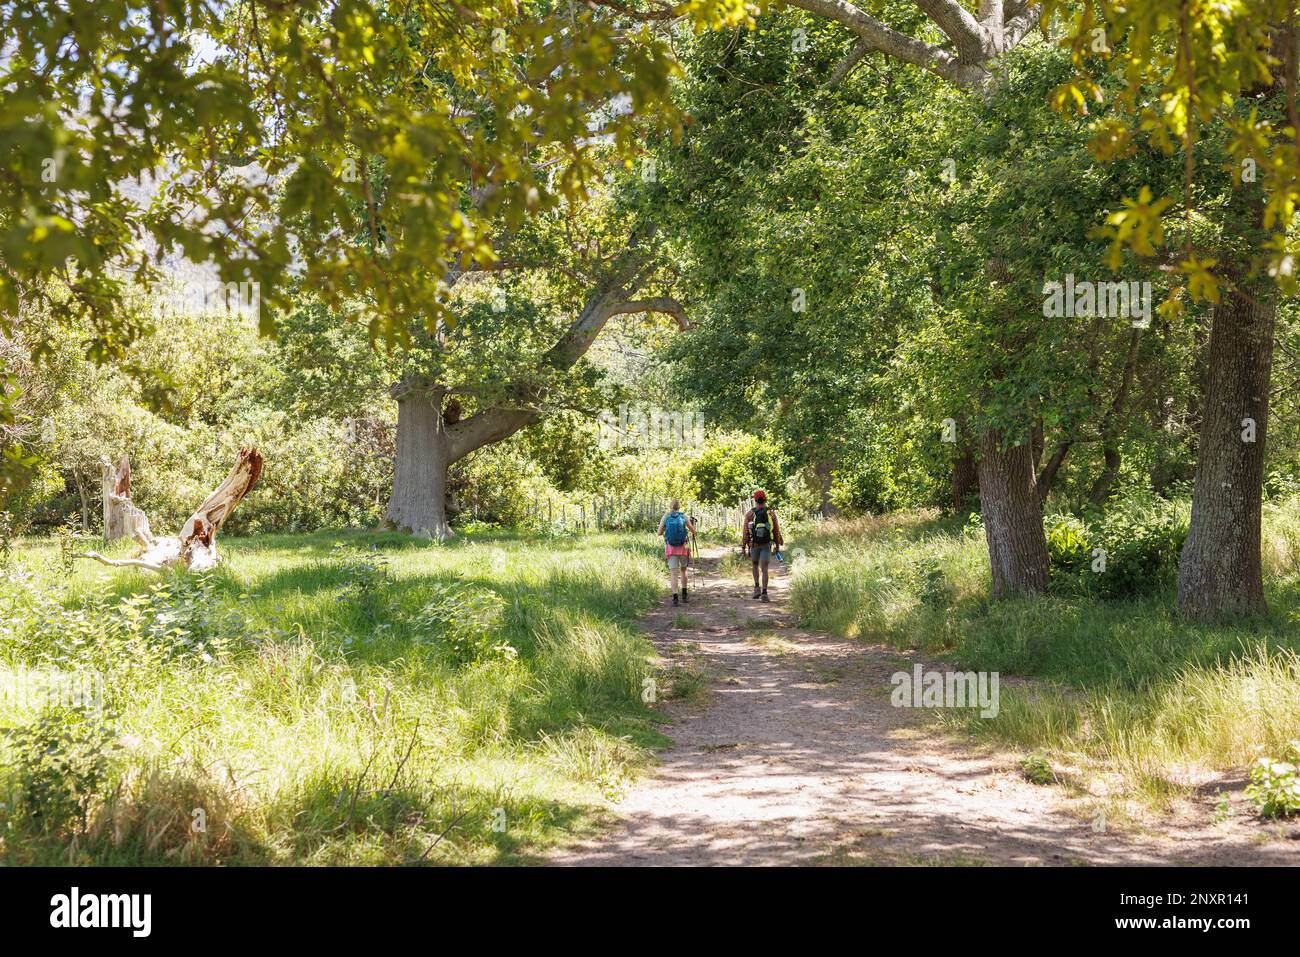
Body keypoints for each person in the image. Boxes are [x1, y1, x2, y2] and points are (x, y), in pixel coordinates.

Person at [741, 489, 783, 601]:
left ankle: (756, 588)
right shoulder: (771, 513)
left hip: (754, 544)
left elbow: (745, 531)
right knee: (764, 568)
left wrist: (744, 546)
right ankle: (764, 593)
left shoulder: (750, 514)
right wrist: (777, 547)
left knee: (755, 565)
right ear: (765, 499)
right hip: (766, 544)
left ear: (755, 500)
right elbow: (776, 531)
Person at [658, 499, 697, 606]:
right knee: (684, 571)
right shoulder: (683, 516)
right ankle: (684, 595)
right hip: (683, 547)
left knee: (674, 573)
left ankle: (675, 599)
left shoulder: (666, 516)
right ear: (679, 507)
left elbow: (659, 532)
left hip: (670, 548)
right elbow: (694, 531)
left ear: (670, 507)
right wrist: (692, 525)